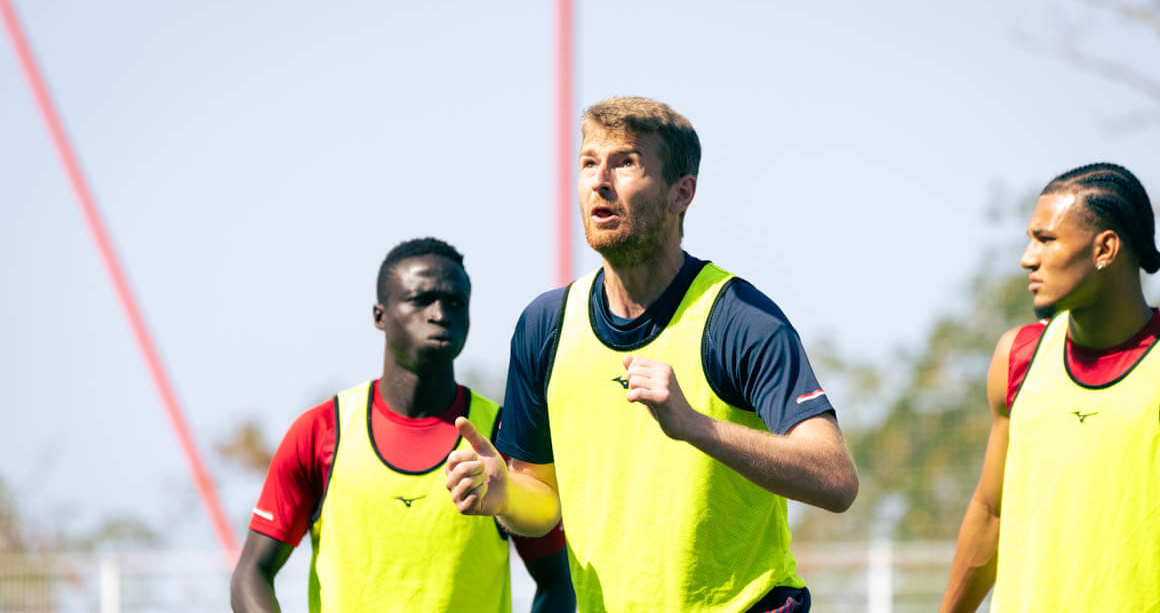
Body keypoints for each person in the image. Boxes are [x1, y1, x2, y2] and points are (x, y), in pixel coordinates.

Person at [445, 97, 859, 612]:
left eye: (626, 162)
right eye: (589, 162)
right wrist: (505, 495)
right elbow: (542, 498)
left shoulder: (738, 317)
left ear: (680, 193)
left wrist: (695, 425)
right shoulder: (545, 324)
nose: (600, 181)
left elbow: (836, 479)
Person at [230, 237, 574, 612]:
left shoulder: (502, 438)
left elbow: (558, 582)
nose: (440, 313)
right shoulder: (321, 431)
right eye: (420, 299)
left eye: (456, 302)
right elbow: (252, 572)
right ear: (380, 316)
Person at [939, 163, 1160, 612]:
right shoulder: (1017, 358)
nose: (1028, 258)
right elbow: (991, 514)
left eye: (1046, 239)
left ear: (1105, 248)